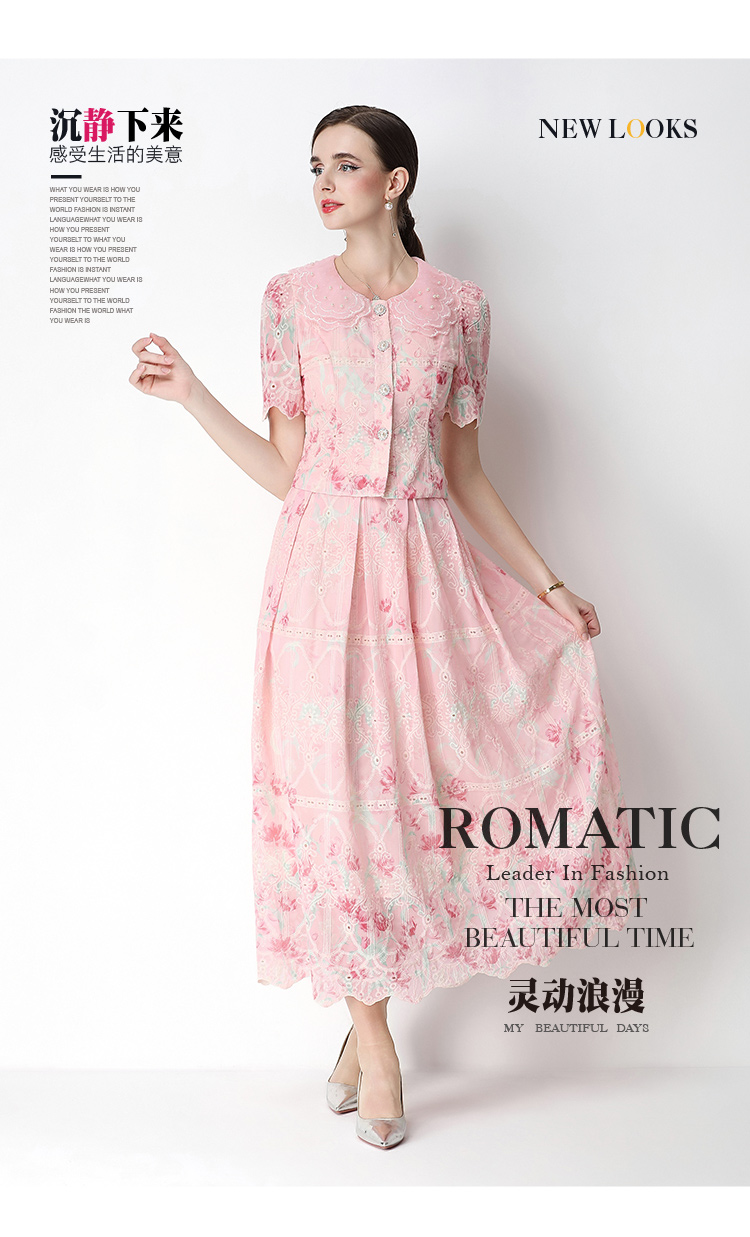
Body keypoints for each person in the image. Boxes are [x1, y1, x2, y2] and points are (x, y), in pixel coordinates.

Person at [129, 104, 637, 1151]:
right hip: (320, 581)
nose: (323, 182)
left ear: (395, 182)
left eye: (345, 164)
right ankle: (379, 1044)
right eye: (315, 165)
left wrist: (547, 586)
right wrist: (192, 396)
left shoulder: (462, 309)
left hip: (426, 577)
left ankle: (359, 1038)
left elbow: (466, 474)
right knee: (340, 809)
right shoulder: (288, 301)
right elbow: (289, 472)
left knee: (417, 803)